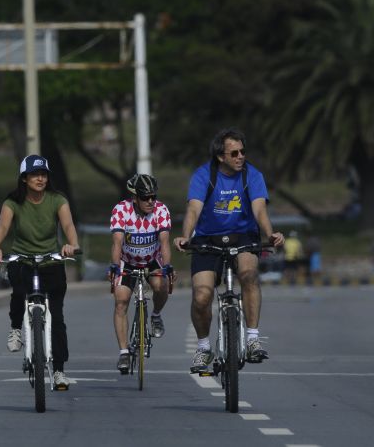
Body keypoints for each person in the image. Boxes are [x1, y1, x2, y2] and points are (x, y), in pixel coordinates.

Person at [174, 128, 285, 373]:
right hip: (207, 238)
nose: (240, 157)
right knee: (202, 296)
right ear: (220, 156)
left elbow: (259, 211)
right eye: (234, 153)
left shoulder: (252, 176)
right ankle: (204, 347)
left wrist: (270, 234)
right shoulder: (204, 175)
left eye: (243, 151)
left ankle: (253, 338)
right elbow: (193, 209)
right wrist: (185, 235)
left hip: (243, 236)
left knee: (249, 275)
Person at [0, 154, 80, 391]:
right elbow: (3, 227)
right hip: (22, 259)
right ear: (24, 178)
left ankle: (58, 371)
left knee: (57, 318)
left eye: (44, 174)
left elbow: (68, 225)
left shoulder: (57, 200)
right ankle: (16, 329)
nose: (40, 179)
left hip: (51, 260)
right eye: (35, 175)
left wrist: (71, 245)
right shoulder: (12, 203)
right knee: (19, 291)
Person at [108, 174, 175, 374]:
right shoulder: (121, 210)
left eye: (153, 196)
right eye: (146, 197)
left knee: (160, 286)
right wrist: (114, 267)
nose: (151, 201)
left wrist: (168, 266)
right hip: (127, 260)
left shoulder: (161, 210)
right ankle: (123, 352)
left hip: (152, 259)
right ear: (135, 197)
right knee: (121, 299)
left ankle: (155, 315)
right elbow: (117, 243)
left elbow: (164, 242)